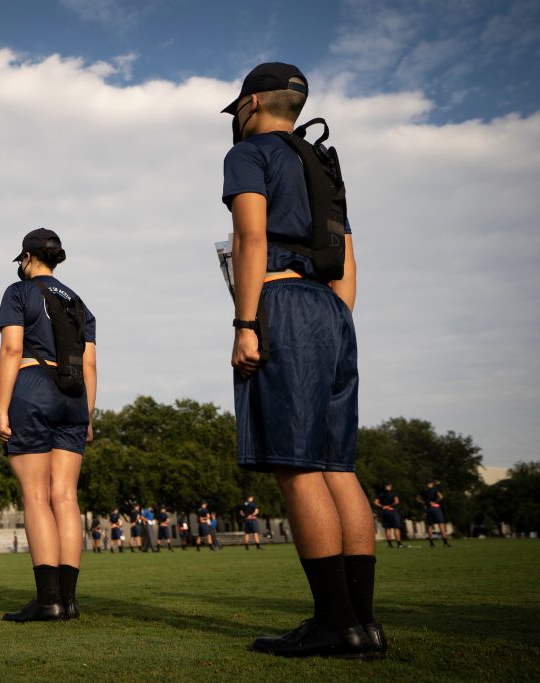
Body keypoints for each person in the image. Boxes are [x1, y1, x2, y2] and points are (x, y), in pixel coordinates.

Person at [221, 62, 381, 657]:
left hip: (282, 300)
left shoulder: (250, 153)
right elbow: (347, 256)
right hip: (332, 312)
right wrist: (336, 322)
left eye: (239, 106)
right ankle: (363, 624)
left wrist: (245, 323)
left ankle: (334, 625)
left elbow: (250, 240)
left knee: (296, 465)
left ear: (254, 102)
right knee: (338, 465)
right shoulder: (321, 160)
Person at [0, 228, 97, 622]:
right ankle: (68, 602)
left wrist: (2, 410)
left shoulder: (18, 292)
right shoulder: (79, 303)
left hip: (34, 387)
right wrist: (88, 414)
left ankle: (48, 601)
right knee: (66, 497)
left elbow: (11, 349)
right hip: (74, 396)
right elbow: (89, 364)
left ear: (27, 257)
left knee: (37, 496)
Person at [417, 480, 451, 548]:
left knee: (429, 526)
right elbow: (441, 497)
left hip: (429, 509)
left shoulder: (424, 490)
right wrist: (435, 502)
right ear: (432, 484)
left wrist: (424, 503)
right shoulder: (435, 489)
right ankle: (445, 543)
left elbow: (418, 498)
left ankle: (431, 544)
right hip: (435, 508)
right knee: (441, 525)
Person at [374, 484, 404, 548]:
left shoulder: (381, 494)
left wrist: (383, 506)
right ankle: (399, 544)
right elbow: (397, 501)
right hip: (392, 511)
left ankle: (390, 544)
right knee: (396, 528)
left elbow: (376, 502)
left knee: (387, 528)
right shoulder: (393, 493)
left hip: (385, 511)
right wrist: (390, 506)